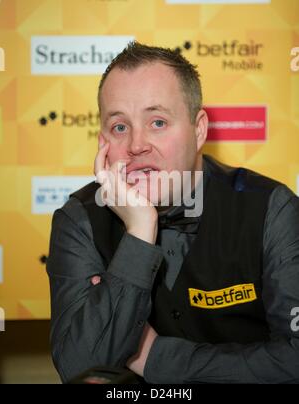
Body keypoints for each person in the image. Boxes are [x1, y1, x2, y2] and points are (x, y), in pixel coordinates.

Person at [47, 42, 299, 384]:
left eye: (158, 122)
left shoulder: (271, 208)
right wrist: (139, 230)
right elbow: (81, 366)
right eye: (120, 127)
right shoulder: (79, 220)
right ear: (102, 138)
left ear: (199, 130)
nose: (137, 145)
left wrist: (155, 358)